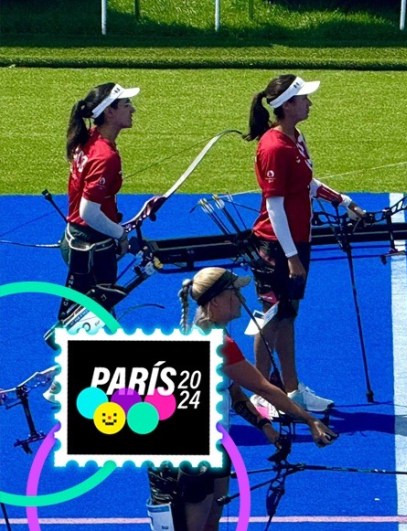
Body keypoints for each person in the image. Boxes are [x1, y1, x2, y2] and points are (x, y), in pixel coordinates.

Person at [147, 267, 338, 531]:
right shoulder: (218, 343)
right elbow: (265, 388)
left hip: (214, 446)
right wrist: (309, 420)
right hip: (190, 455)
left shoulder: (207, 333)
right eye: (235, 292)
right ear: (215, 301)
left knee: (212, 522)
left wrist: (267, 429)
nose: (243, 299)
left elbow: (235, 394)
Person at [243, 74, 367, 415]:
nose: (310, 103)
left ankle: (292, 390)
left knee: (287, 316)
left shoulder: (295, 137)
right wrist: (292, 256)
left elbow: (307, 182)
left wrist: (342, 200)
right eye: (304, 99)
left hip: (296, 243)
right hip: (275, 246)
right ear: (287, 106)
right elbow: (274, 206)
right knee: (270, 318)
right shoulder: (273, 147)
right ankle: (261, 394)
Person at [58, 83, 140, 322]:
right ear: (109, 112)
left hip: (78, 240)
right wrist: (120, 234)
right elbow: (88, 212)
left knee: (83, 316)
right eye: (126, 105)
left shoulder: (89, 138)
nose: (132, 109)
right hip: (92, 247)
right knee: (94, 319)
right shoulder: (105, 156)